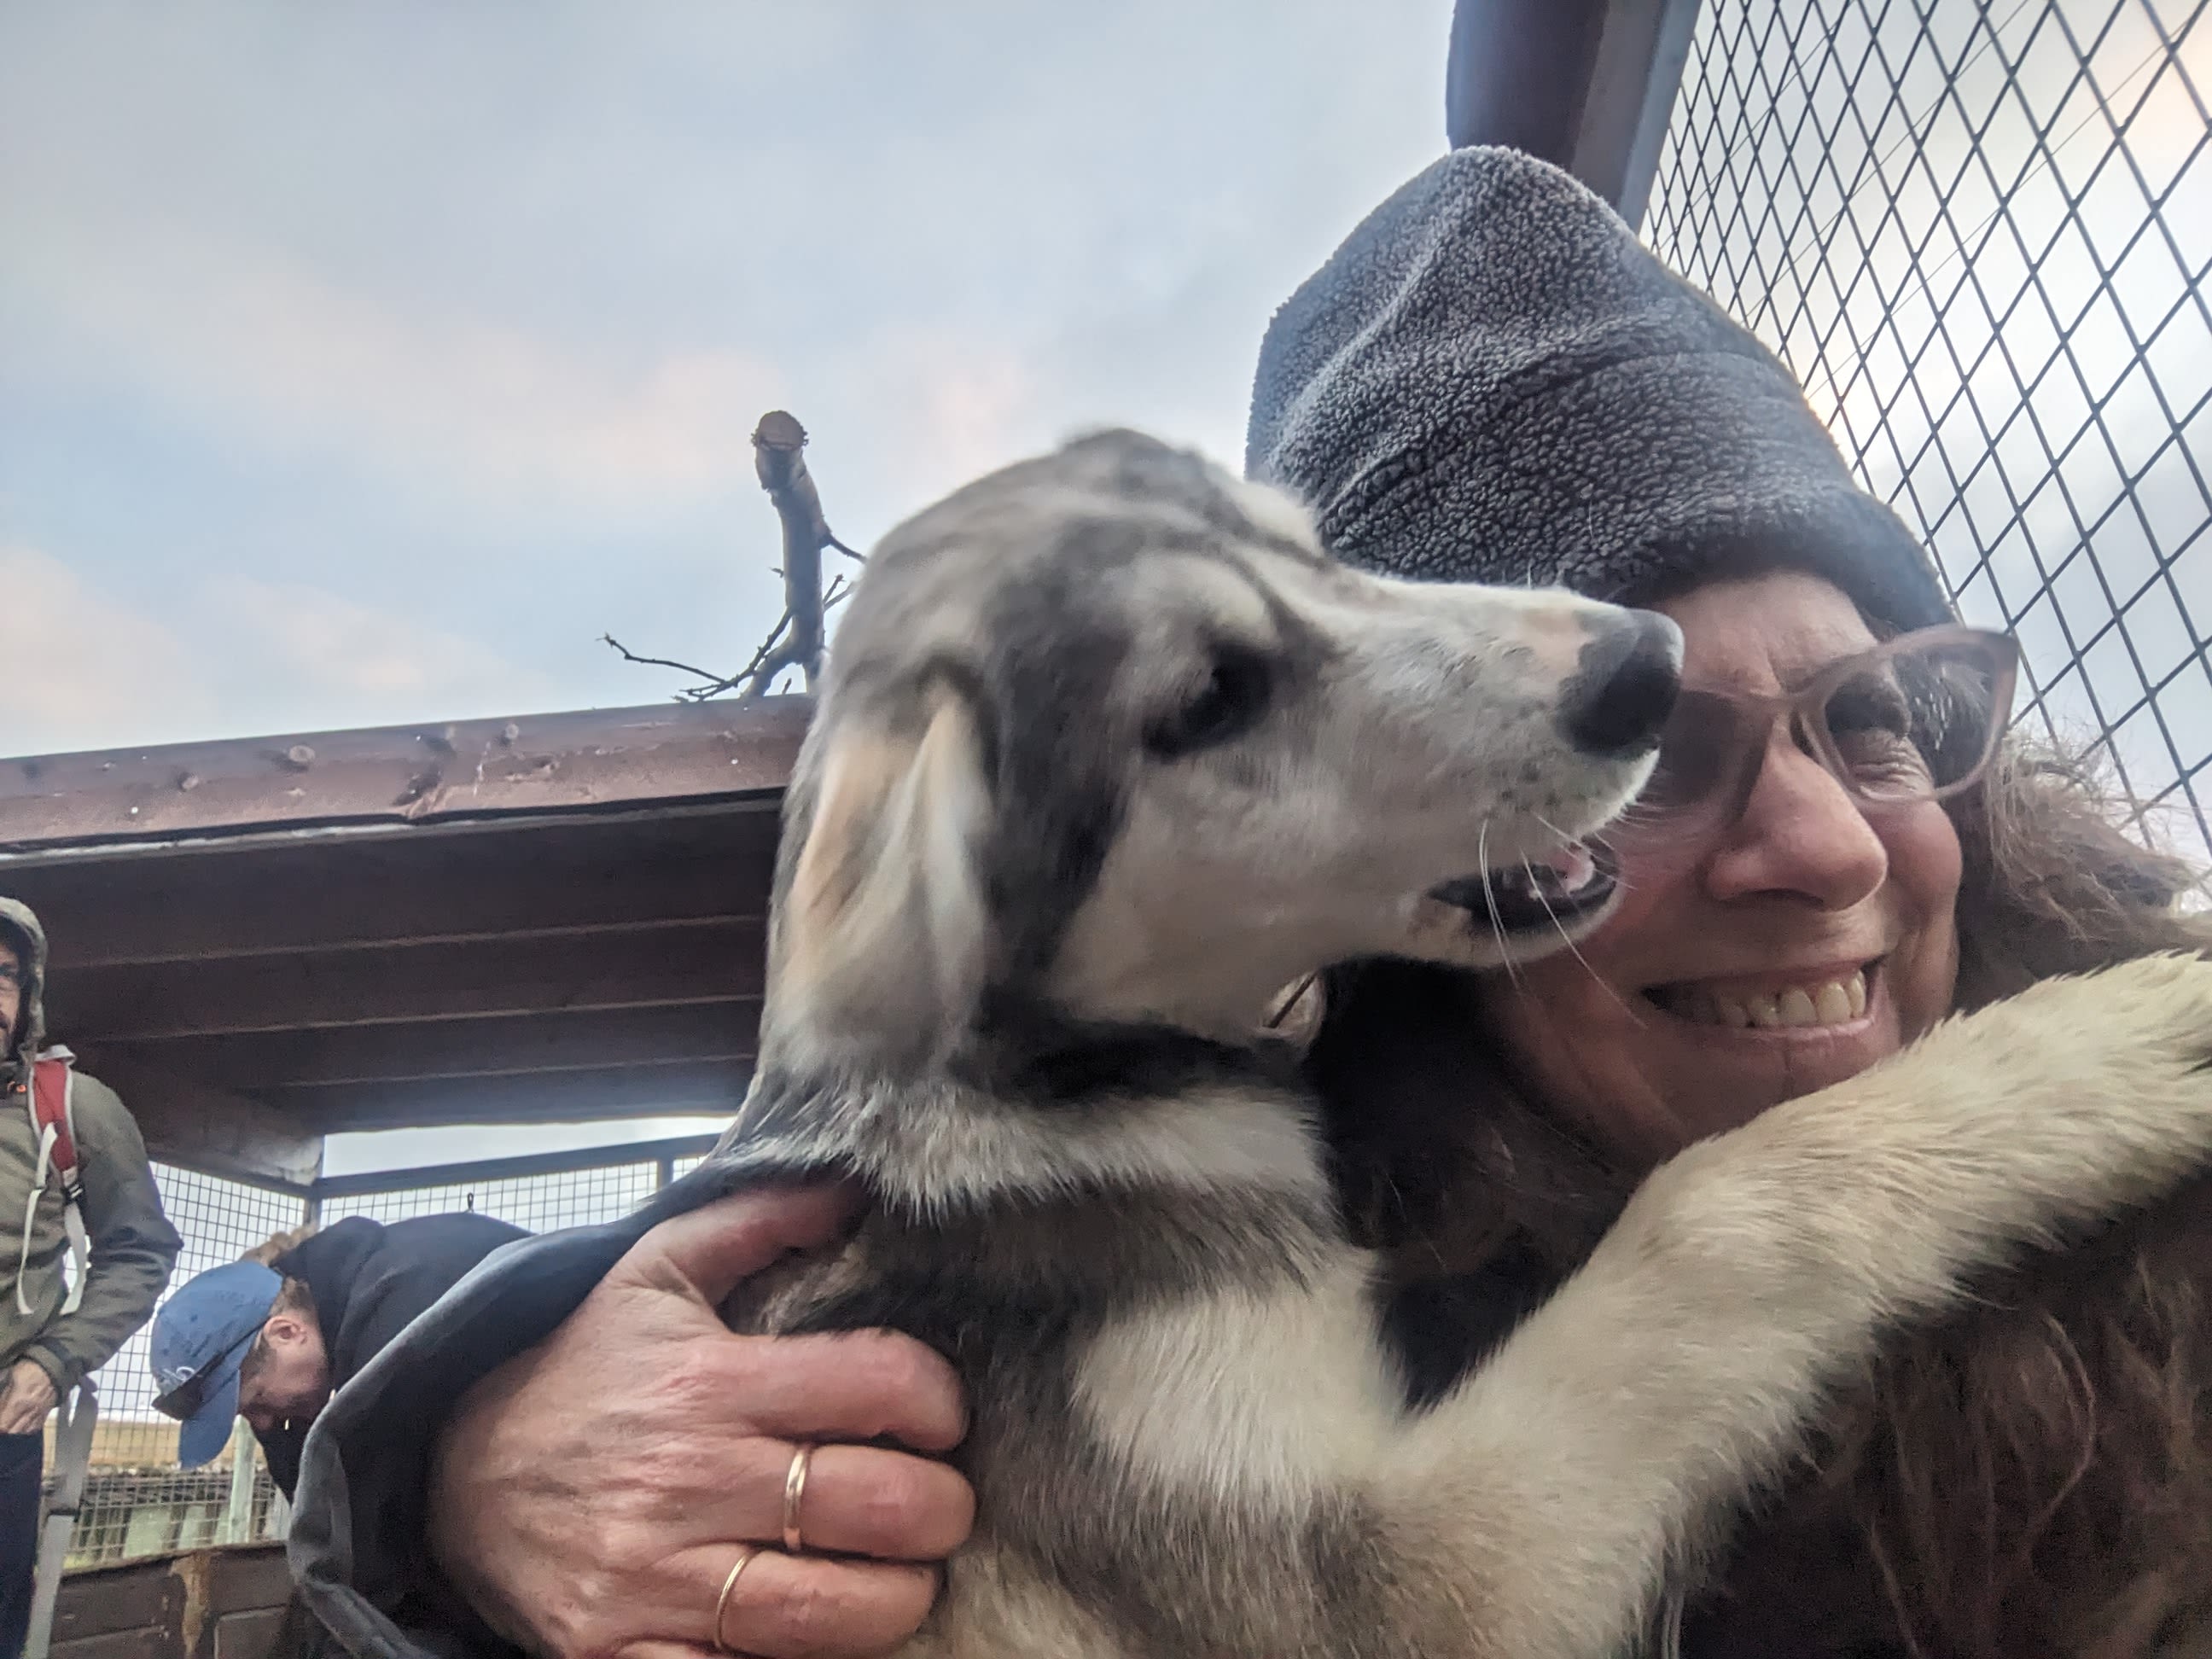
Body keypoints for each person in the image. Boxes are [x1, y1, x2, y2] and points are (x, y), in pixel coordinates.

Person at [283, 149, 2212, 1659]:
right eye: (1674, 750)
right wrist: (467, 1434)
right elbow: (584, 1241)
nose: (1835, 849)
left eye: (1868, 714)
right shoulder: (1331, 1217)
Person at [0, 898, 181, 1657]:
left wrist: (53, 1363)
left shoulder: (71, 1109)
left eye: (5, 979)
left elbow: (139, 1252)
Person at [151, 1211, 527, 1502]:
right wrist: (287, 1440)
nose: (263, 1425)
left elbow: (365, 1541)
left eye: (258, 1401)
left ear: (287, 1332)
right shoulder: (353, 1287)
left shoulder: (397, 1316)